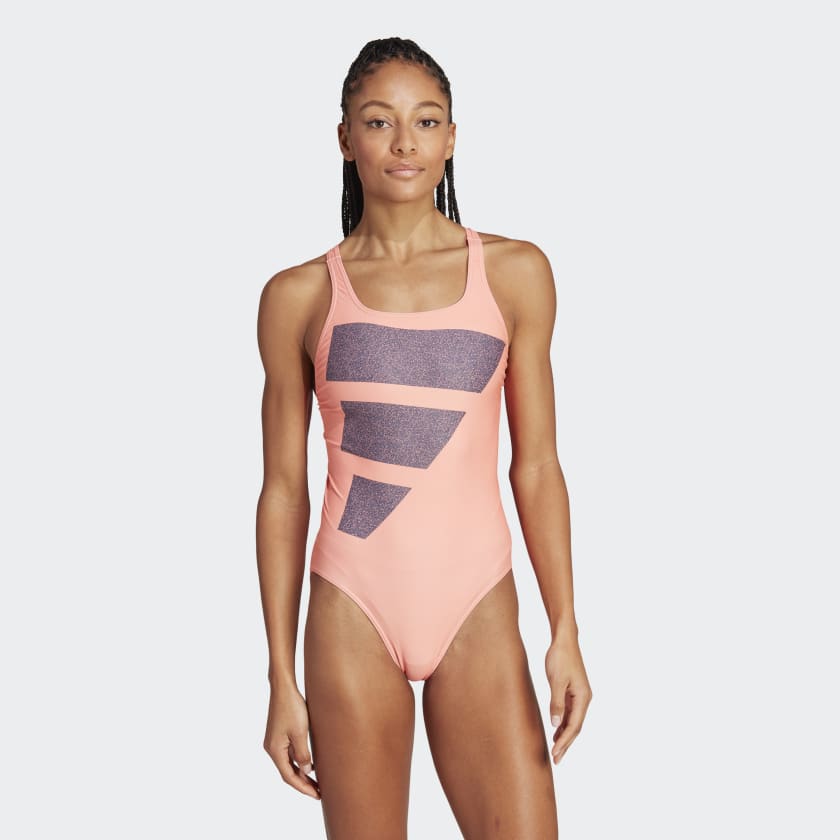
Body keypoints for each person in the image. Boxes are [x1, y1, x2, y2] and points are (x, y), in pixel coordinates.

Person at [256, 36, 592, 839]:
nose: (404, 142)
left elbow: (537, 467)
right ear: (345, 138)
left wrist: (565, 629)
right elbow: (283, 491)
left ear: (451, 138)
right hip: (352, 605)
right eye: (379, 121)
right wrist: (279, 676)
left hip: (476, 600)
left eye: (426, 121)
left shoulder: (515, 273)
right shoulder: (298, 295)